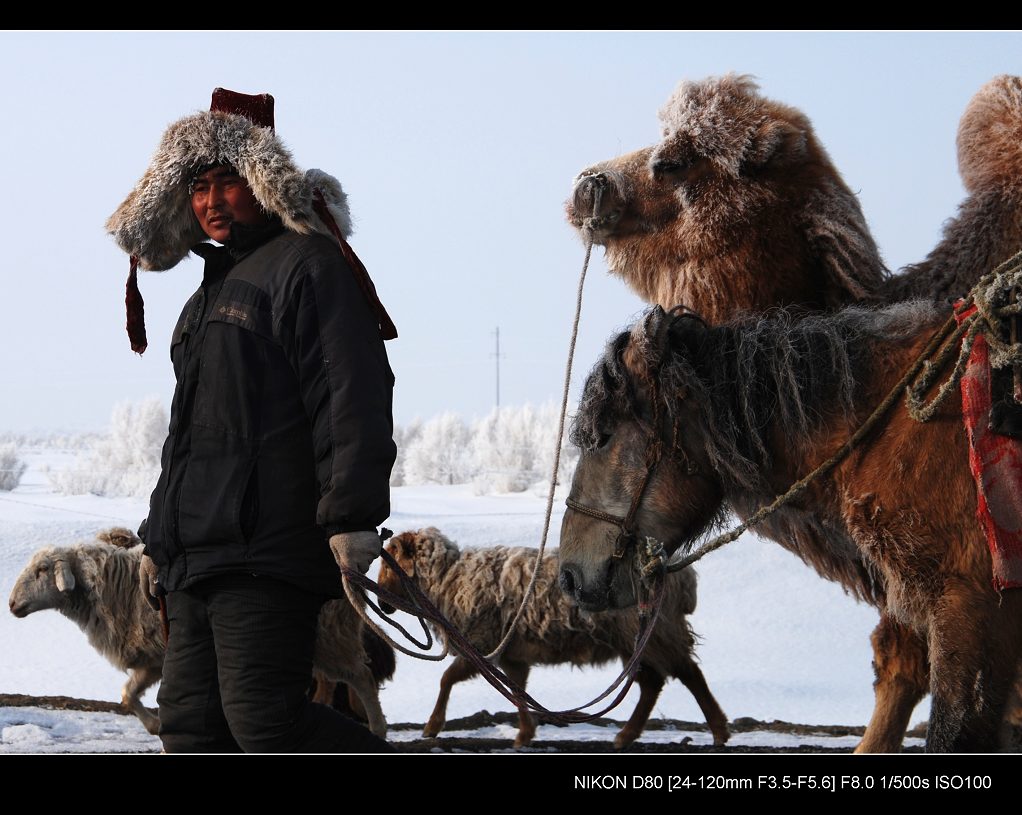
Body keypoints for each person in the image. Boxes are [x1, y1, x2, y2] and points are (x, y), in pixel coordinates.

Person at [106, 88, 398, 753]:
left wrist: (352, 517)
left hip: (268, 550)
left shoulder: (311, 265)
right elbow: (190, 442)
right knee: (190, 729)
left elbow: (351, 393)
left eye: (227, 181)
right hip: (196, 558)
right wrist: (160, 539)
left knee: (266, 721)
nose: (211, 200)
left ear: (265, 181)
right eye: (198, 186)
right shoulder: (205, 296)